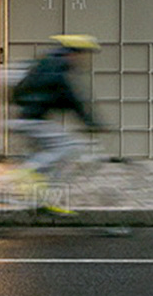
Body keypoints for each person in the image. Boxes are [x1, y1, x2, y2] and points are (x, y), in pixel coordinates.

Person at [8, 34, 101, 207]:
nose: (83, 59)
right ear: (73, 53)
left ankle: (42, 197)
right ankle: (27, 172)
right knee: (67, 147)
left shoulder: (47, 64)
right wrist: (91, 123)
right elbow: (72, 100)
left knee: (51, 151)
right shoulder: (57, 71)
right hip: (33, 119)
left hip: (29, 117)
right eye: (82, 54)